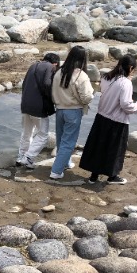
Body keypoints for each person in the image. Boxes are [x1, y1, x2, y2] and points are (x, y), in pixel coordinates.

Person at [79, 55, 137, 185]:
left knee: (98, 147)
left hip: (101, 117)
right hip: (117, 121)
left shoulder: (106, 77)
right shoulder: (126, 83)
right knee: (114, 150)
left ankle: (93, 176)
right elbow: (126, 105)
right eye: (133, 69)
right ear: (130, 68)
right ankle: (112, 176)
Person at [49, 46, 93, 180]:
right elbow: (87, 97)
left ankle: (66, 163)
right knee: (68, 142)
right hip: (73, 111)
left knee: (61, 139)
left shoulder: (59, 72)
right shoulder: (81, 75)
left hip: (60, 110)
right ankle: (56, 171)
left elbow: (52, 91)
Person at [16, 52, 60, 169]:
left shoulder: (33, 65)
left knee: (27, 133)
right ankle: (28, 158)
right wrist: (53, 98)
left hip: (25, 105)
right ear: (55, 63)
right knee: (43, 135)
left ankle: (21, 157)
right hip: (39, 108)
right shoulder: (50, 67)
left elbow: (24, 84)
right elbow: (47, 84)